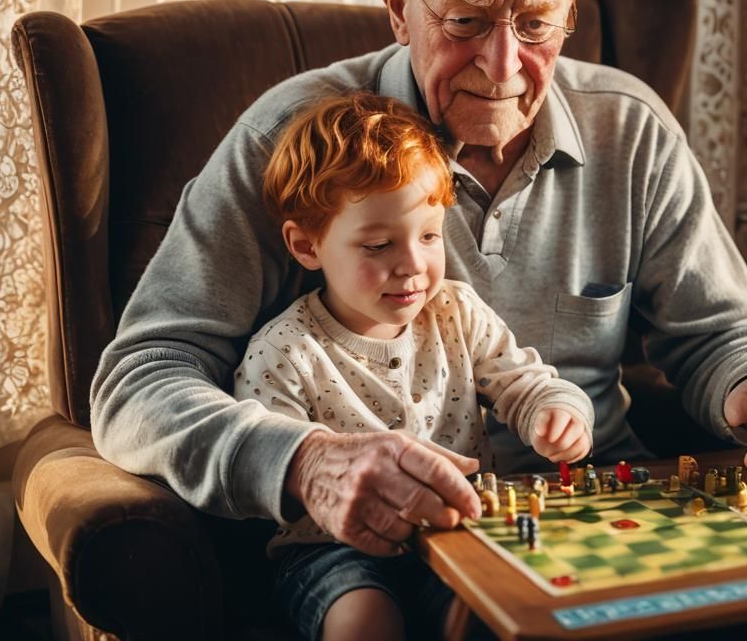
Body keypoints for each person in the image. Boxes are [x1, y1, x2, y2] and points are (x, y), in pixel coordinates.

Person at [92, 0, 747, 638]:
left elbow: (723, 332)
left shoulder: (630, 129)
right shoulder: (294, 140)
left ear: (570, 13)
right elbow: (140, 381)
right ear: (399, 7)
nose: (504, 67)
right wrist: (304, 462)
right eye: (465, 20)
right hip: (401, 551)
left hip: (599, 513)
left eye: (537, 22)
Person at [234, 91, 592, 639]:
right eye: (377, 245)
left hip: (457, 533)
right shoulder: (283, 351)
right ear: (307, 246)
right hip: (331, 551)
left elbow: (525, 382)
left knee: (495, 609)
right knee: (365, 621)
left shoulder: (456, 311)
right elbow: (270, 474)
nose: (412, 265)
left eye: (429, 236)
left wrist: (557, 410)